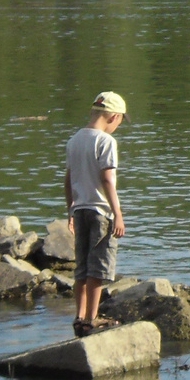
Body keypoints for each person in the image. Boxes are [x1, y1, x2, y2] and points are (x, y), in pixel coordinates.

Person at [64, 92, 128, 337]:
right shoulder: (106, 142)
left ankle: (79, 318)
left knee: (81, 267)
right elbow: (107, 179)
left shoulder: (74, 140)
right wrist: (118, 214)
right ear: (113, 116)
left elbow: (68, 180)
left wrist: (70, 209)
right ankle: (92, 319)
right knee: (98, 268)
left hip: (80, 209)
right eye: (120, 121)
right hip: (101, 211)